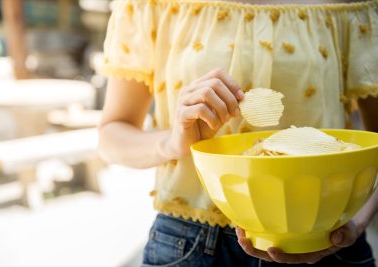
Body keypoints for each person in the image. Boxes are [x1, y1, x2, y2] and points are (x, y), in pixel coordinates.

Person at [98, 0, 378, 265]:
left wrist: (358, 220)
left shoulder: (349, 6)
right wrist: (172, 144)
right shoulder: (150, 5)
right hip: (192, 242)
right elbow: (111, 136)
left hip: (327, 235)